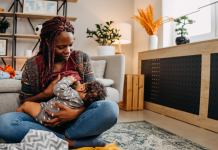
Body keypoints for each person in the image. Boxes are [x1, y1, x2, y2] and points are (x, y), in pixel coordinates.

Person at [0, 16, 119, 149]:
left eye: (70, 45)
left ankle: (54, 140)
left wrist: (75, 113)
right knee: (5, 123)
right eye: (61, 47)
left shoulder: (81, 58)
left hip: (76, 122)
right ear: (47, 42)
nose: (68, 51)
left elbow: (93, 97)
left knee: (110, 108)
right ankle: (69, 142)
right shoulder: (33, 64)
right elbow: (25, 100)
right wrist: (46, 94)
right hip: (42, 121)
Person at [16, 75, 107, 127]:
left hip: (44, 113)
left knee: (26, 105)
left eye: (82, 84)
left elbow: (58, 89)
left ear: (82, 87)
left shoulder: (74, 95)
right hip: (55, 122)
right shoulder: (80, 103)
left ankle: (16, 120)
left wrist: (68, 80)